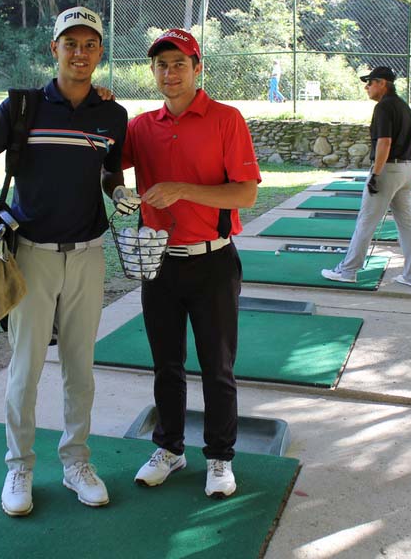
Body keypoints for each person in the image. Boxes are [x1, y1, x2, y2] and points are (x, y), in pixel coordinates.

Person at [0, 6, 135, 517]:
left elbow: (108, 169)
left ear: (100, 52)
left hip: (88, 255)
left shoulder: (112, 115)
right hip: (31, 254)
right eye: (70, 44)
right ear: (53, 49)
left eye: (90, 45)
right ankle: (20, 467)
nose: (80, 53)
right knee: (26, 368)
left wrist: (118, 190)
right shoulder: (23, 107)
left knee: (80, 368)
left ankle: (77, 462)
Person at [107, 28, 261, 498]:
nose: (170, 73)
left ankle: (219, 456)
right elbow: (109, 163)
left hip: (213, 260)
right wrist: (119, 189)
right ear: (152, 72)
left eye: (179, 64)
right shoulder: (141, 126)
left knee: (217, 366)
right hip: (158, 261)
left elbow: (245, 193)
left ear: (198, 69)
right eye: (161, 65)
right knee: (166, 364)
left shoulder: (226, 119)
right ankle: (170, 449)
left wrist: (182, 190)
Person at [321, 66, 411, 288]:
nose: (367, 87)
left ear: (382, 83)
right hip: (407, 169)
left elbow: (384, 142)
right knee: (407, 226)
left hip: (388, 169)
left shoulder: (383, 107)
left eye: (370, 82)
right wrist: (404, 170)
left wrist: (376, 174)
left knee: (366, 222)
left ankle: (348, 271)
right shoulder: (405, 108)